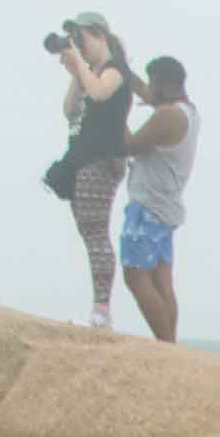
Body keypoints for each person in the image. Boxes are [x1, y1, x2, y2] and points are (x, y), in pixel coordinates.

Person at [46, 17, 140, 332]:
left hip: (102, 159)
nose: (78, 45)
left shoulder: (115, 69)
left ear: (100, 35)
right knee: (89, 232)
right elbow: (69, 109)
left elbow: (100, 93)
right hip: (81, 158)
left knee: (96, 232)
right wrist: (76, 71)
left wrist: (83, 69)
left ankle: (102, 311)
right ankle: (99, 310)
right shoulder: (91, 72)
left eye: (81, 38)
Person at [120, 55, 202, 343]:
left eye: (153, 83)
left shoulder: (168, 116)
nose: (148, 91)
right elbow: (147, 92)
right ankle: (170, 343)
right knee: (161, 280)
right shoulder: (187, 112)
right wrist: (121, 71)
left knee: (135, 276)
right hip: (166, 208)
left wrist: (115, 110)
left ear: (165, 85)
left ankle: (166, 345)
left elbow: (127, 145)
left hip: (147, 207)